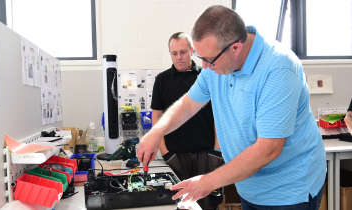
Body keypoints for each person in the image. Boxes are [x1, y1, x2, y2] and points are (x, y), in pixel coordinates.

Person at [138, 5, 326, 210]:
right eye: (201, 58)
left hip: (288, 193)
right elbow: (189, 104)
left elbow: (268, 149)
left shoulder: (279, 68)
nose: (205, 67)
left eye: (209, 60)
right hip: (249, 185)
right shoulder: (218, 58)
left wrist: (207, 182)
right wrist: (157, 132)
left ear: (235, 47)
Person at [150, 32, 224, 210]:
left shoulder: (207, 76)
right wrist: (165, 152)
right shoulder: (162, 80)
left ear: (192, 51)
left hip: (206, 155)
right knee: (178, 205)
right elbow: (156, 117)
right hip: (175, 157)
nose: (179, 57)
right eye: (174, 53)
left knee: (208, 205)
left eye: (183, 52)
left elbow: (219, 116)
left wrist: (217, 150)